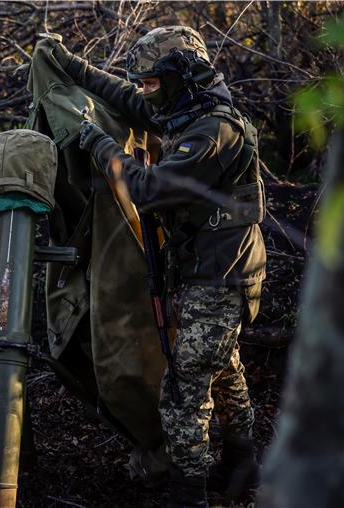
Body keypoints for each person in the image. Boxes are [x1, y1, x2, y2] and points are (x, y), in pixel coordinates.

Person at [51, 26, 266, 507]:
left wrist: (101, 146)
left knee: (183, 392)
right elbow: (128, 99)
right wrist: (70, 64)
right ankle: (244, 462)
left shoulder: (215, 130)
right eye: (145, 82)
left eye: (153, 81)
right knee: (224, 366)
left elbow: (148, 191)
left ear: (179, 76)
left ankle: (189, 492)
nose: (146, 89)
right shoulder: (186, 108)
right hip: (208, 268)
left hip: (221, 276)